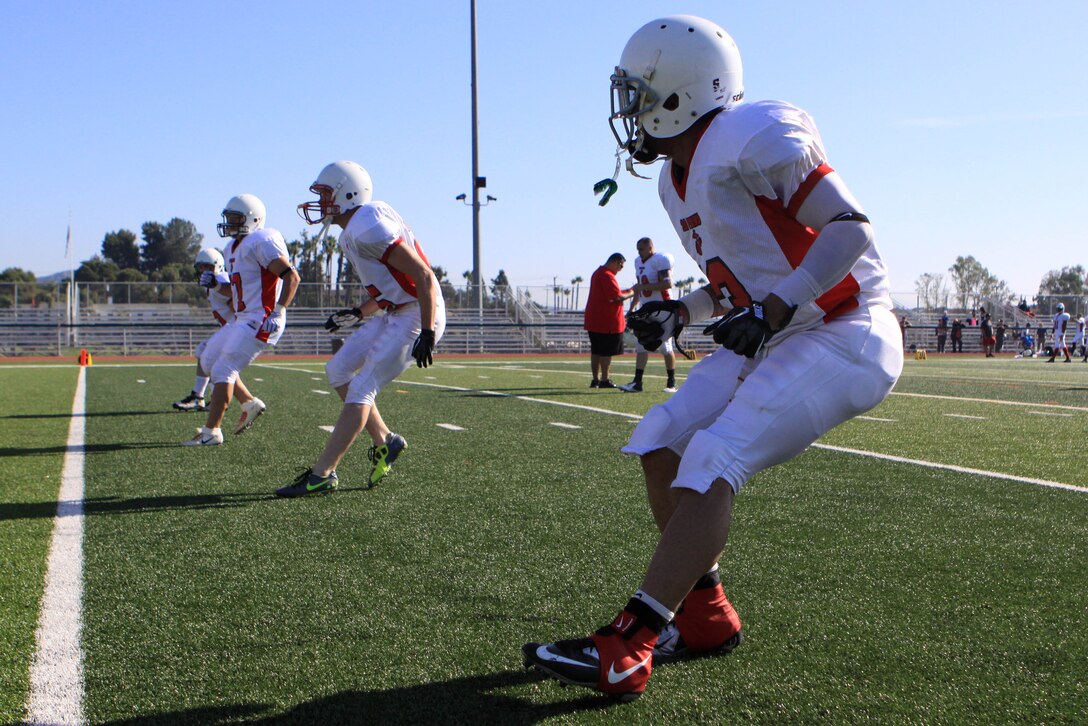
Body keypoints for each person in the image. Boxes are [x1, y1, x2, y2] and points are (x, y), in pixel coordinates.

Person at [522, 15, 903, 701]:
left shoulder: (750, 134)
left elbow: (850, 229)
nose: (631, 111)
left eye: (640, 95)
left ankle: (631, 643)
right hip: (781, 325)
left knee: (713, 455)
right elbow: (737, 277)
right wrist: (685, 312)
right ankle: (704, 616)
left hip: (846, 327)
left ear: (681, 94)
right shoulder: (675, 178)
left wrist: (775, 309)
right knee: (661, 438)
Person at [275, 161, 444, 497]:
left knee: (361, 388)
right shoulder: (357, 229)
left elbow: (423, 277)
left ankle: (323, 473)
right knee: (337, 369)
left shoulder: (368, 226)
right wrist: (358, 312)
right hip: (398, 310)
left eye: (325, 194)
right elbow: (389, 289)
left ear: (347, 194)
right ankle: (385, 440)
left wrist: (427, 331)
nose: (320, 202)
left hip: (418, 312)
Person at [183, 194, 299, 446]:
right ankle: (249, 403)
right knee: (209, 358)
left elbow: (292, 277)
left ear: (253, 219)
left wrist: (278, 311)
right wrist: (215, 284)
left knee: (225, 368)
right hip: (244, 317)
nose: (230, 224)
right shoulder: (232, 248)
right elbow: (235, 293)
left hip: (262, 317)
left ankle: (211, 432)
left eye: (236, 219)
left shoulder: (261, 240)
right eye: (229, 219)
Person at [173, 247, 260, 415]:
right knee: (212, 359)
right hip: (233, 328)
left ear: (218, 266)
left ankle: (210, 398)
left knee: (215, 360)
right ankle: (210, 397)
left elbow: (236, 295)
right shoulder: (212, 284)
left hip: (238, 329)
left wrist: (235, 319)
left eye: (208, 267)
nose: (204, 271)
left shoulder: (220, 279)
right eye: (201, 267)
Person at [619, 237, 679, 393]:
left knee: (665, 347)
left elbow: (667, 284)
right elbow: (639, 289)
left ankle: (671, 382)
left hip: (663, 308)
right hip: (646, 309)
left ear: (651, 248)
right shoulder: (638, 262)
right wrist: (632, 308)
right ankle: (637, 382)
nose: (639, 252)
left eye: (642, 249)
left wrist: (642, 286)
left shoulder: (660, 260)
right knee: (641, 345)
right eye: (638, 249)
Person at [584, 253, 633, 389]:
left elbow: (613, 293)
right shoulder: (606, 275)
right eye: (621, 265)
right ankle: (604, 379)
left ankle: (596, 380)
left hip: (595, 320)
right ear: (614, 262)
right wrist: (633, 291)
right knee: (606, 352)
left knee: (596, 351)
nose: (621, 268)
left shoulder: (598, 273)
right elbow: (617, 297)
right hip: (606, 321)